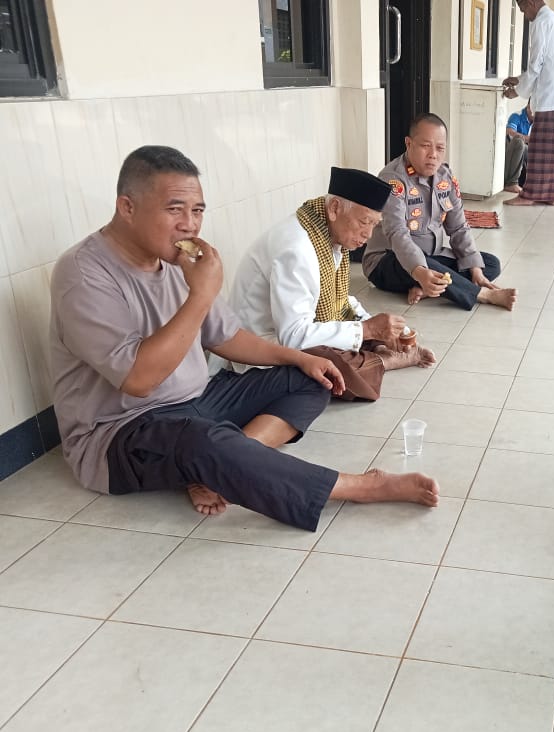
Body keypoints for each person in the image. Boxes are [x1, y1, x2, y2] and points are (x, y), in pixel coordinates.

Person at [50, 145, 438, 531]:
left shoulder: (173, 260)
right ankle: (361, 486)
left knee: (313, 378)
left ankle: (222, 465)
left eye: (197, 211)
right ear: (127, 207)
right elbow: (138, 380)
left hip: (197, 400)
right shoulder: (83, 274)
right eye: (175, 210)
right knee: (202, 441)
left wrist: (300, 359)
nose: (189, 225)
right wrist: (201, 295)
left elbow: (227, 336)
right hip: (122, 431)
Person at [231, 167, 436, 403]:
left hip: (291, 331)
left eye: (374, 224)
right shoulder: (297, 250)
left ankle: (378, 350)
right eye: (364, 222)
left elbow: (337, 300)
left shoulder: (324, 232)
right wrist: (368, 330)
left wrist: (374, 327)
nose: (369, 234)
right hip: (260, 349)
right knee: (329, 372)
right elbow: (293, 336)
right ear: (335, 208)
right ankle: (384, 360)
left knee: (358, 330)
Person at [363, 113, 517, 311]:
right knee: (427, 265)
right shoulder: (393, 179)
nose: (433, 154)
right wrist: (420, 270)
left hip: (433, 255)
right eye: (425, 146)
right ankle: (484, 295)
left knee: (488, 263)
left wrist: (475, 270)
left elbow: (459, 227)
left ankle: (427, 288)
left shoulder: (445, 176)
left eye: (440, 148)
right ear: (408, 144)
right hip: (389, 260)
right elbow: (397, 233)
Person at [502, 0, 554, 207]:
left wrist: (517, 91)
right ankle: (552, 194)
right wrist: (519, 79)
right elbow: (550, 63)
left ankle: (529, 195)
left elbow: (536, 64)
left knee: (540, 150)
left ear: (532, 3)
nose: (525, 15)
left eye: (523, 9)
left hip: (551, 96)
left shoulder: (541, 23)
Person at [504, 104, 533, 193]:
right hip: (514, 150)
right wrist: (530, 139)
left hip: (527, 154)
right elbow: (509, 132)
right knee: (519, 142)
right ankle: (511, 183)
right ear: (529, 107)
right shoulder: (517, 116)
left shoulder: (541, 120)